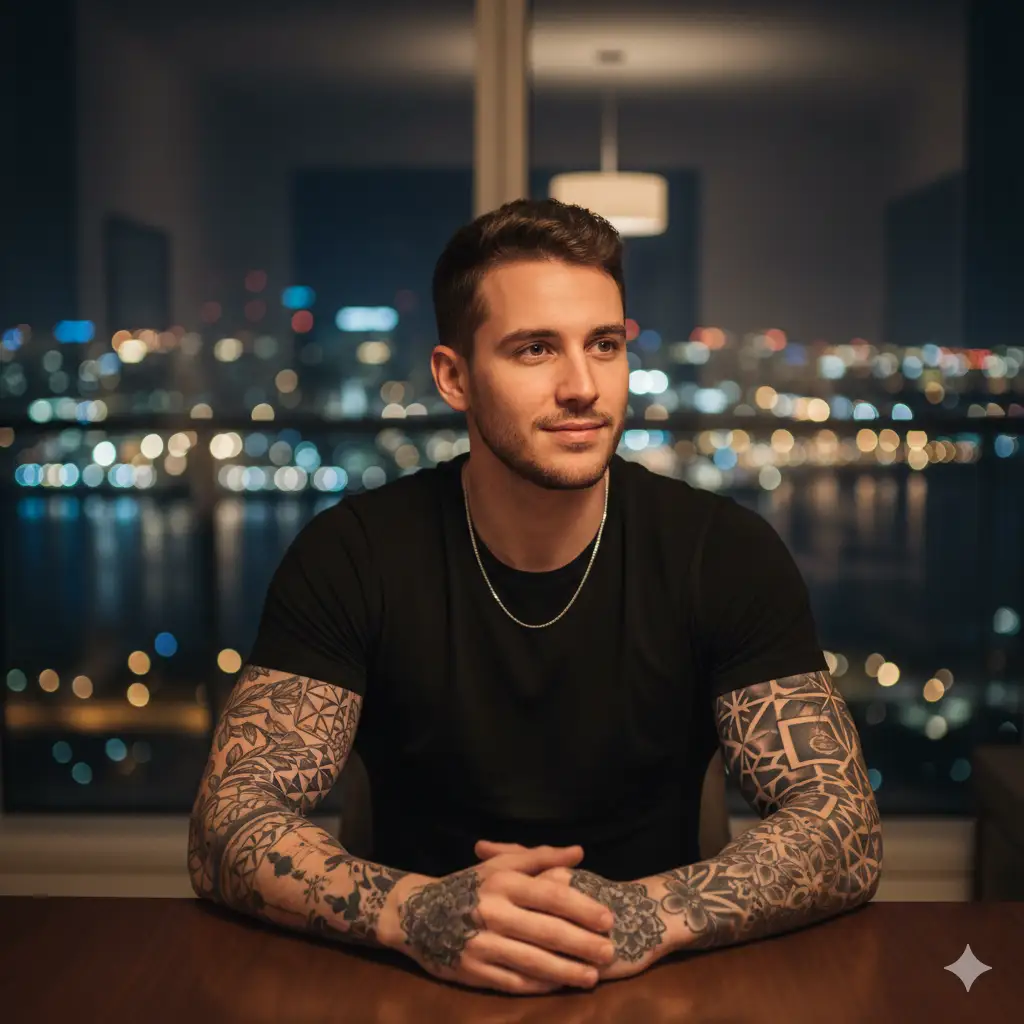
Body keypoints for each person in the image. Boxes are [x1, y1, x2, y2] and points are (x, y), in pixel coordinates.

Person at [188, 198, 882, 996]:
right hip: (413, 988)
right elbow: (227, 822)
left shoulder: (722, 551)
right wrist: (417, 911)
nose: (583, 386)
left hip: (657, 987)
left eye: (605, 345)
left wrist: (638, 916)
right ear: (454, 377)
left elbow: (842, 825)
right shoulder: (353, 554)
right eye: (535, 350)